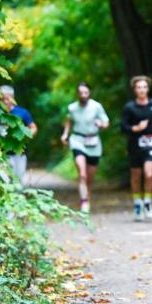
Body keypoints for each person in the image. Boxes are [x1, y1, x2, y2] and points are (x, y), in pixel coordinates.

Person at [120, 75, 152, 222]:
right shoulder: (129, 107)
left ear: (148, 89)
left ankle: (147, 202)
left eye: (144, 87)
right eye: (139, 87)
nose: (142, 90)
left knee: (148, 173)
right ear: (134, 90)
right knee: (136, 176)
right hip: (135, 145)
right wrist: (135, 128)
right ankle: (137, 204)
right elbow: (123, 127)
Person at [60, 82, 109, 213]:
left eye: (85, 92)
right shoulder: (72, 108)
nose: (83, 95)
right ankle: (84, 202)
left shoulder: (96, 106)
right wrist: (65, 134)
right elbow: (69, 120)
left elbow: (106, 122)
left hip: (93, 142)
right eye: (81, 93)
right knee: (82, 174)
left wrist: (101, 124)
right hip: (78, 140)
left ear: (89, 93)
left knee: (89, 178)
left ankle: (87, 199)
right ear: (77, 94)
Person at [0, 85, 37, 186]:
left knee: (17, 183)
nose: (5, 102)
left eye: (7, 99)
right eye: (2, 99)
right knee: (3, 183)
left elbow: (33, 128)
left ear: (12, 98)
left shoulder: (22, 113)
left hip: (18, 154)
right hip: (0, 154)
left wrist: (24, 136)